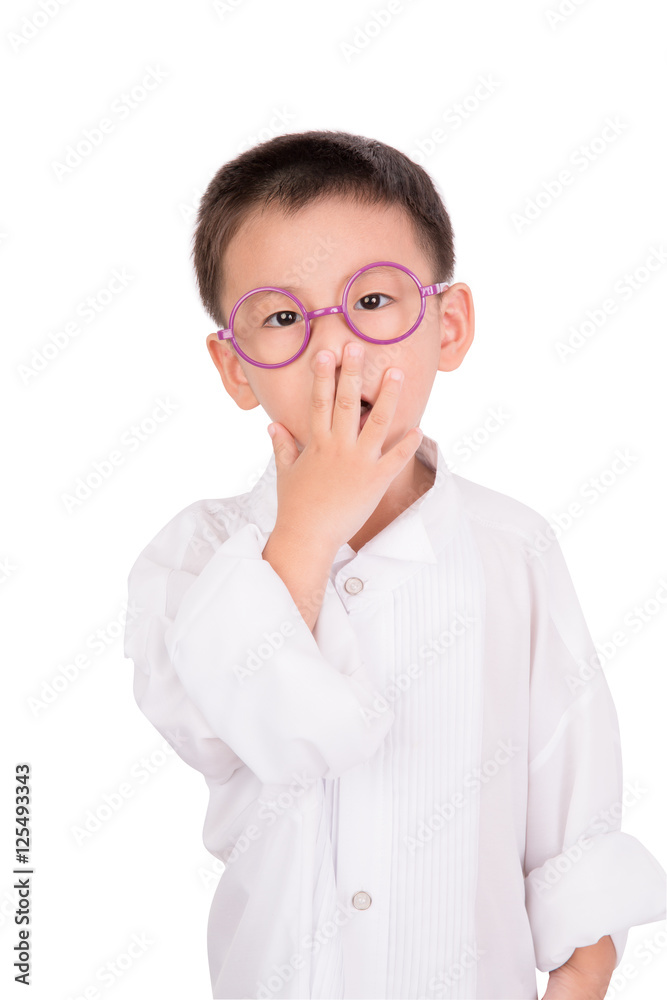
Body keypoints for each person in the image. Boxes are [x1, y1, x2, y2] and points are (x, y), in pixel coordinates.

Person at [123, 130, 665, 1000]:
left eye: (373, 300)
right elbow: (231, 729)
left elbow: (570, 790)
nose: (336, 350)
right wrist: (303, 527)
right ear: (234, 367)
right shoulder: (193, 555)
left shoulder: (510, 547)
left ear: (446, 328)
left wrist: (582, 967)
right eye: (284, 317)